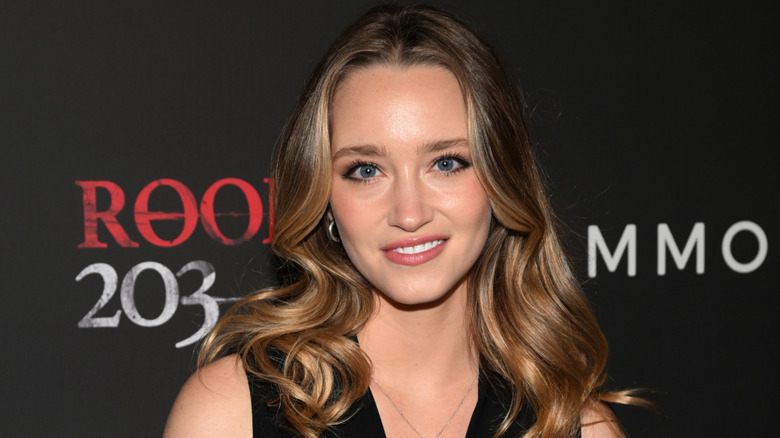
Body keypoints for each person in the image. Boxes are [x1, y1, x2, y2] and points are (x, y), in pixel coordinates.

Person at [164, 4, 644, 438]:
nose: (409, 214)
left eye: (447, 162)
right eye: (367, 170)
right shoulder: (230, 414)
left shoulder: (573, 424)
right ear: (324, 199)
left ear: (502, 178)